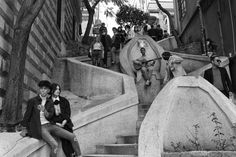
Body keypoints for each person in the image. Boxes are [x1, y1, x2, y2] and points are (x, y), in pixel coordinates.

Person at [20, 80, 81, 157]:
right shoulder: (33, 101)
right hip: (40, 127)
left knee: (73, 137)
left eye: (45, 88)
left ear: (49, 90)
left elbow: (50, 116)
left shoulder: (50, 101)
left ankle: (79, 155)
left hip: (50, 125)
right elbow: (27, 115)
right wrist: (24, 128)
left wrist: (44, 110)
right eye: (41, 88)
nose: (42, 90)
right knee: (55, 145)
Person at [50, 83, 75, 157]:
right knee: (65, 141)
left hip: (66, 123)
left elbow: (68, 113)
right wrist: (56, 123)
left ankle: (73, 154)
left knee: (71, 140)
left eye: (59, 89)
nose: (58, 91)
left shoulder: (64, 100)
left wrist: (64, 122)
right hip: (56, 125)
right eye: (56, 89)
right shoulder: (48, 101)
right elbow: (48, 116)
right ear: (52, 90)